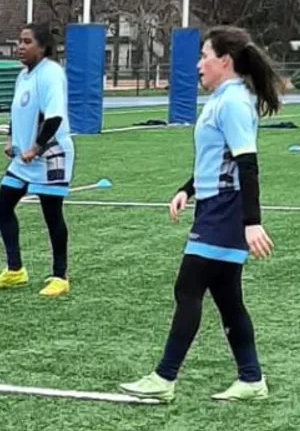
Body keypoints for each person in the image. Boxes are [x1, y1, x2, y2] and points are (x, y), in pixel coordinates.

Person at [120, 26, 280, 403]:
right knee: (227, 296)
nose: (198, 64)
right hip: (214, 205)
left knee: (188, 286)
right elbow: (217, 157)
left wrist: (251, 222)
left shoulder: (234, 102)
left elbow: (247, 164)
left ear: (224, 61)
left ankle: (164, 378)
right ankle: (251, 378)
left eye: (204, 56)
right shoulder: (225, 99)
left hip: (225, 210)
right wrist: (187, 189)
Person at [0, 24, 73, 298]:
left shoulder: (51, 74)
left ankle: (60, 275)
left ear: (43, 46)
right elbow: (17, 112)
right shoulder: (23, 75)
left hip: (51, 155)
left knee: (51, 215)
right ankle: (15, 270)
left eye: (27, 42)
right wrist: (12, 140)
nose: (20, 47)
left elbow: (54, 117)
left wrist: (35, 148)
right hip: (23, 160)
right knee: (2, 206)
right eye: (19, 41)